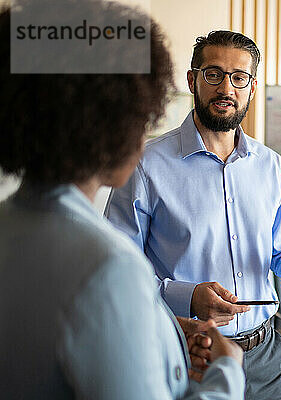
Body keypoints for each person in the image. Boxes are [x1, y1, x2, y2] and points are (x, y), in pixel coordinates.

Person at [0, 2, 245, 398]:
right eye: (143, 118)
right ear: (109, 126)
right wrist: (228, 373)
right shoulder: (108, 266)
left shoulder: (8, 225)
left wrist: (159, 329)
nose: (144, 136)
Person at [104, 30, 281, 400]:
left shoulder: (270, 165)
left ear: (252, 87)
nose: (226, 87)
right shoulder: (145, 164)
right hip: (188, 354)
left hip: (265, 356)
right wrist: (186, 296)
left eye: (238, 77)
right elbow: (117, 272)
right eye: (214, 74)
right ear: (193, 80)